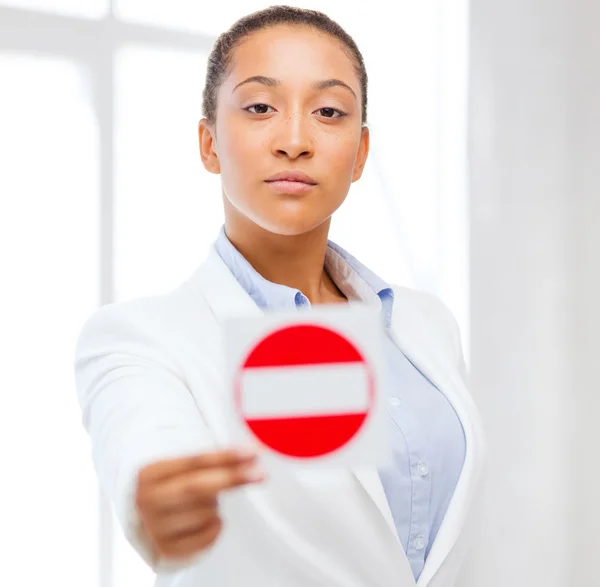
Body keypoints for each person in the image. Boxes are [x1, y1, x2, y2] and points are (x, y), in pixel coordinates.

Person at [74, 6, 486, 587]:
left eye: (328, 111)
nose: (295, 140)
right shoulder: (142, 338)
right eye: (261, 107)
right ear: (208, 142)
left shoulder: (426, 324)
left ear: (361, 152)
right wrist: (158, 498)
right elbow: (149, 445)